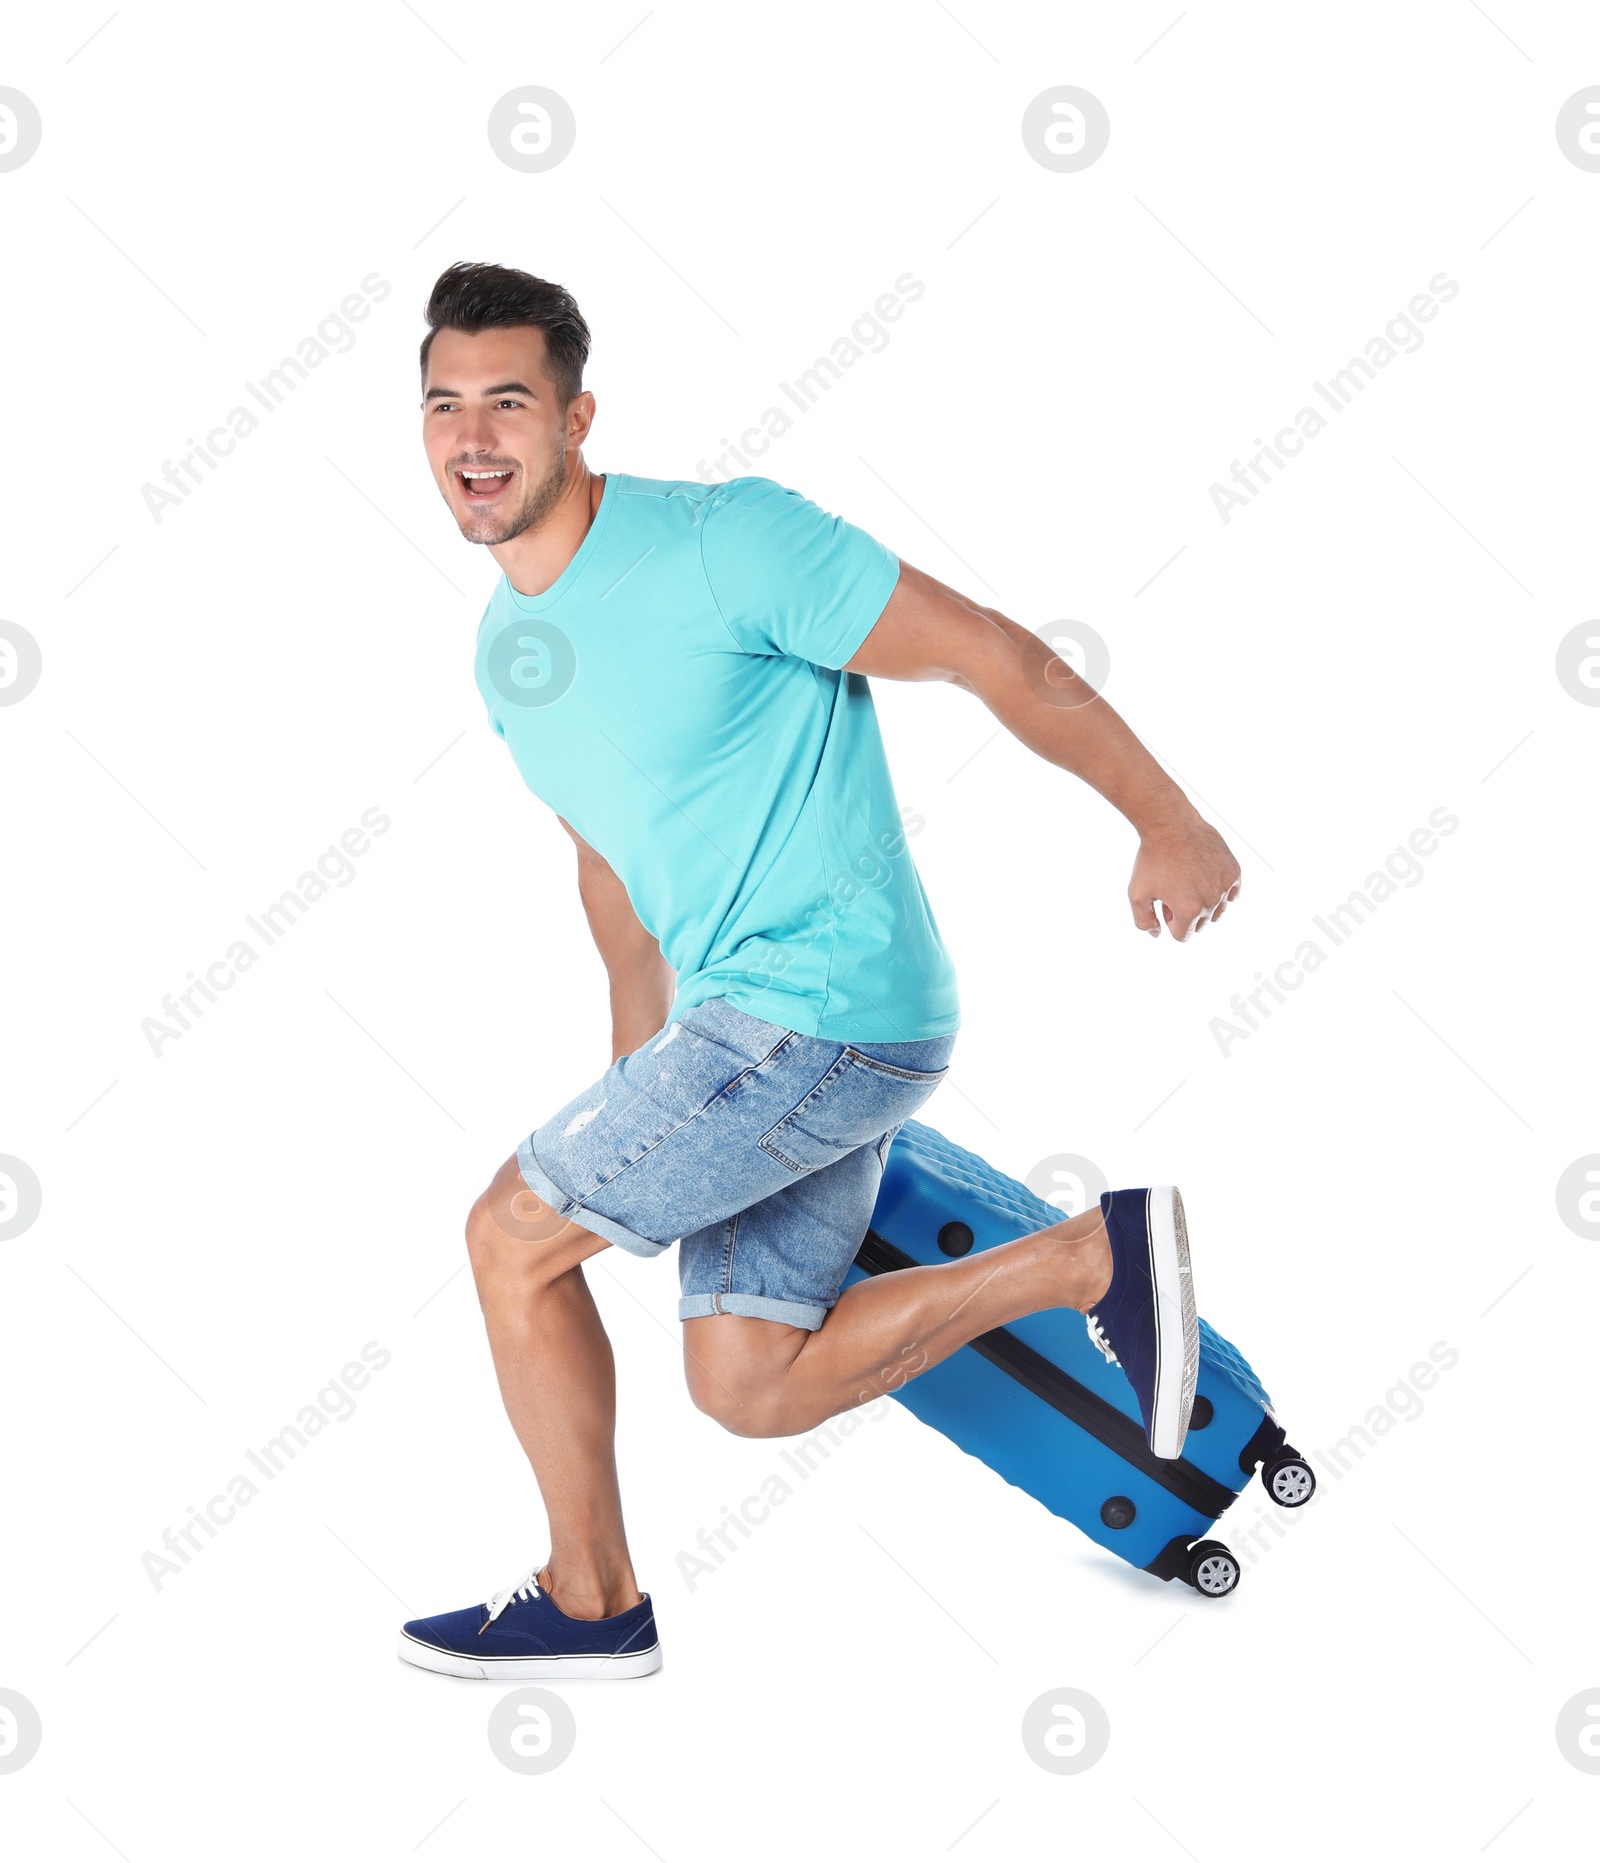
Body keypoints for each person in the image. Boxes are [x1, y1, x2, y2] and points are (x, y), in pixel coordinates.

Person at [396, 261, 1241, 1681]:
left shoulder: (731, 543)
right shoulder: (510, 653)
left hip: (816, 1011)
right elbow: (616, 873)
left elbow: (987, 653)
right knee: (746, 1382)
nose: (472, 438)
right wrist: (639, 1086)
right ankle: (1092, 1255)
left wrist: (1169, 818)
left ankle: (591, 1603)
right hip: (752, 1039)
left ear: (577, 415)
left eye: (508, 402)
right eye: (442, 405)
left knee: (509, 1243)